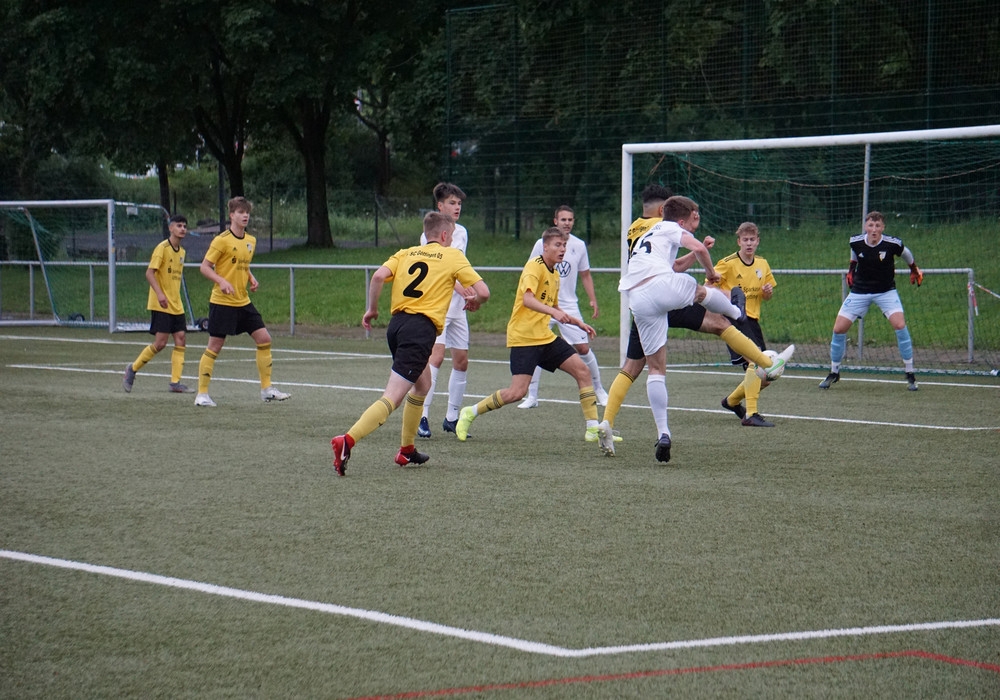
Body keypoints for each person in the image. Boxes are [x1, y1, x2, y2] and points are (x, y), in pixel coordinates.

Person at [600, 186, 795, 451]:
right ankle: (741, 318)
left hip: (637, 298)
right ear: (669, 212)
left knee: (645, 368)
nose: (696, 220)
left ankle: (643, 429)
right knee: (707, 297)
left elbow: (673, 264)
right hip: (662, 289)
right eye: (695, 216)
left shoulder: (639, 229)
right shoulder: (667, 225)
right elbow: (696, 250)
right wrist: (711, 271)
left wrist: (696, 253)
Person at [330, 211, 490, 475]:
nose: (451, 241)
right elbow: (484, 292)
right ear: (444, 235)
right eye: (451, 236)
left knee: (422, 385)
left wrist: (372, 310)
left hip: (397, 326)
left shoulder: (405, 253)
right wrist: (475, 301)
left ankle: (407, 450)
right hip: (420, 330)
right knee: (392, 397)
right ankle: (347, 440)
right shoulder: (452, 256)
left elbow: (378, 277)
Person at [453, 226, 612, 452]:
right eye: (557, 245)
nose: (562, 249)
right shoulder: (533, 267)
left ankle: (592, 428)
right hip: (524, 338)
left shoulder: (555, 273)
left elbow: (554, 307)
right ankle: (470, 412)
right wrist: (553, 312)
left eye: (564, 245)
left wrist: (577, 323)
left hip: (545, 337)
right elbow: (528, 300)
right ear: (545, 247)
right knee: (516, 393)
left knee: (582, 371)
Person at [194, 196, 291, 407]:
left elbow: (242, 265)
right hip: (222, 302)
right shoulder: (221, 240)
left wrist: (250, 277)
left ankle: (266, 389)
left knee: (264, 338)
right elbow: (204, 267)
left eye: (247, 212)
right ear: (232, 215)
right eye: (240, 212)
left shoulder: (251, 241)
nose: (245, 215)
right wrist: (221, 281)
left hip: (242, 301)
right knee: (215, 346)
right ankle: (202, 394)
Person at [818, 210, 923, 391]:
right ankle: (834, 372)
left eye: (877, 226)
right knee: (838, 329)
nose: (874, 229)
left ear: (883, 228)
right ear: (865, 226)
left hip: (886, 291)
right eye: (871, 225)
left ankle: (910, 373)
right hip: (860, 291)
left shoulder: (892, 244)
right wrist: (851, 270)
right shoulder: (855, 241)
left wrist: (914, 269)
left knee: (900, 325)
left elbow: (906, 253)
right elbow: (855, 253)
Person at [517, 205, 608, 409]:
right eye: (563, 219)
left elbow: (585, 274)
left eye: (570, 219)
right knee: (536, 346)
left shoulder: (579, 245)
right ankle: (532, 396)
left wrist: (592, 299)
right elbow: (530, 271)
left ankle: (600, 389)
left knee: (583, 347)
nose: (567, 223)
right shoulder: (541, 244)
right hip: (542, 304)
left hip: (566, 304)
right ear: (555, 221)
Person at [417, 183, 474, 439]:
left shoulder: (461, 232)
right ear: (440, 206)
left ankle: (452, 418)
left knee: (461, 360)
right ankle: (422, 416)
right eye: (452, 203)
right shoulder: (430, 234)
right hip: (438, 304)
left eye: (459, 203)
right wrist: (466, 290)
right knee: (436, 358)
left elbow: (460, 266)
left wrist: (467, 291)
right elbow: (443, 270)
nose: (457, 207)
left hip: (458, 307)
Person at [711, 222, 781, 427]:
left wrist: (767, 293)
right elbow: (708, 286)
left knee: (766, 377)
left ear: (758, 241)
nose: (749, 243)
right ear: (739, 242)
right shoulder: (727, 263)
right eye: (745, 240)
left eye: (752, 240)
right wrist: (729, 297)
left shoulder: (763, 264)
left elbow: (767, 296)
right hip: (733, 318)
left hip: (752, 321)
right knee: (755, 362)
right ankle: (751, 414)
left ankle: (732, 401)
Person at [123, 214, 194, 394]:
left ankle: (175, 383)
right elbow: (149, 273)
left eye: (185, 226)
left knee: (181, 338)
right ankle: (132, 369)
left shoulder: (182, 252)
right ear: (171, 228)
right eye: (179, 225)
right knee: (160, 343)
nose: (182, 229)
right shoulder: (162, 248)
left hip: (176, 303)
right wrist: (160, 294)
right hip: (161, 303)